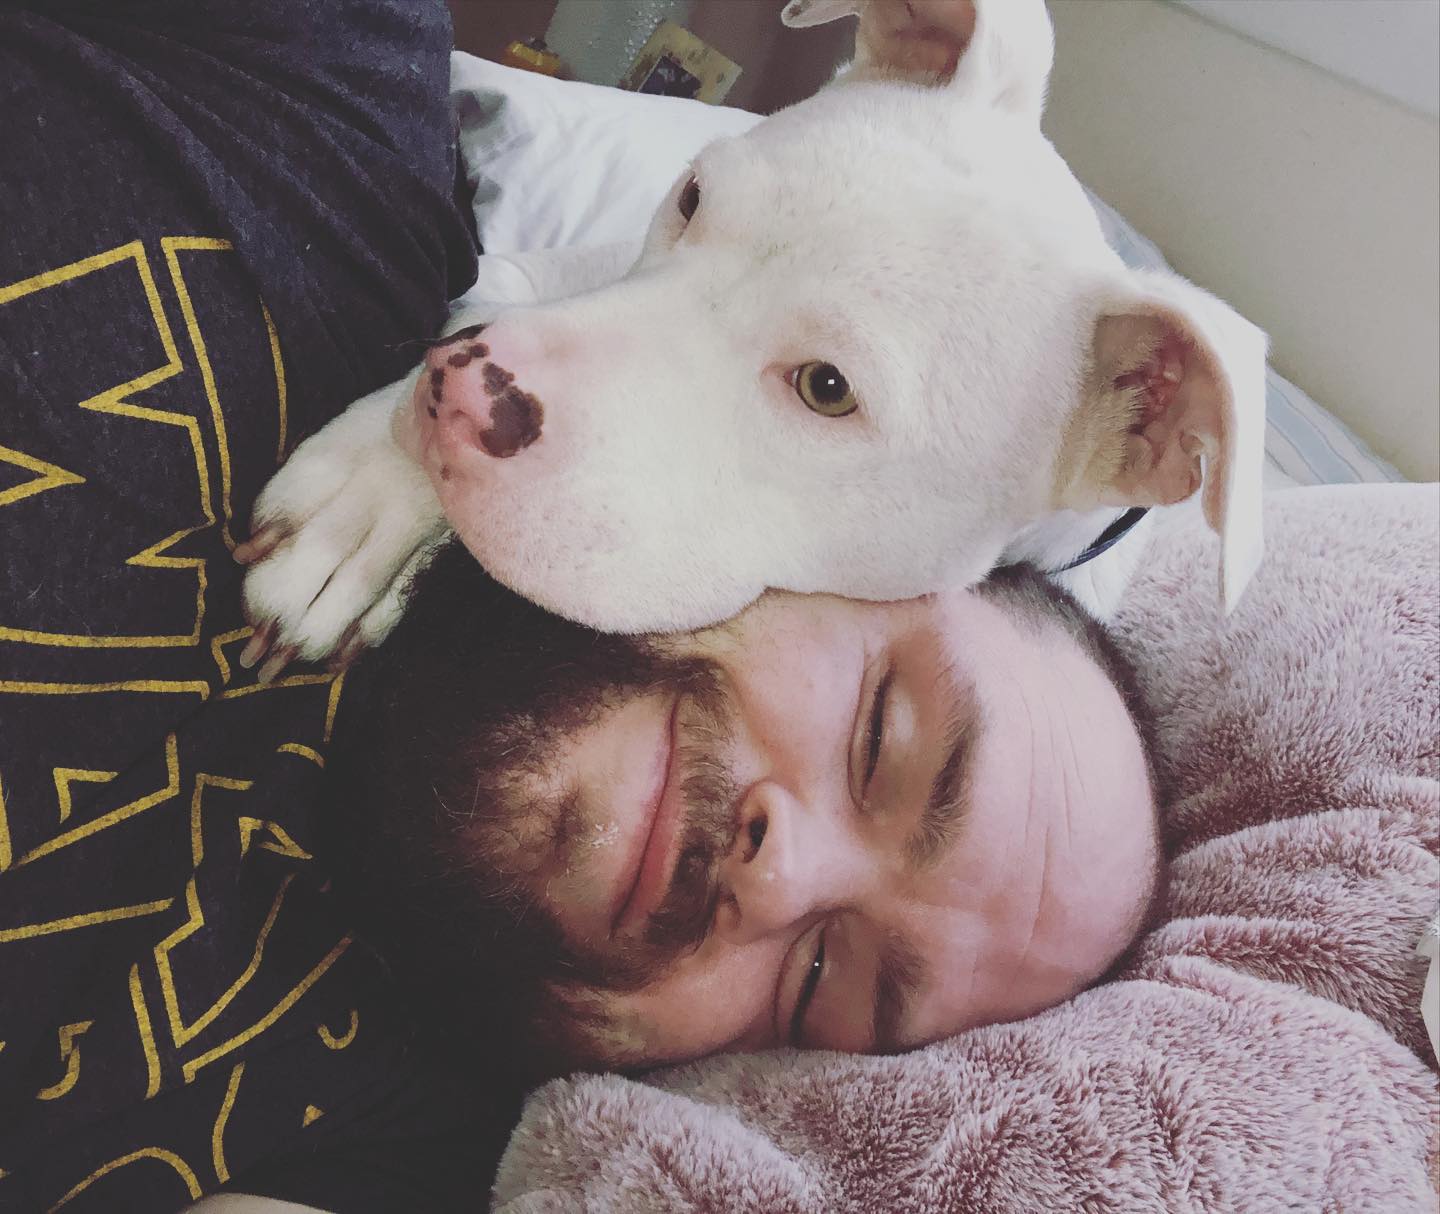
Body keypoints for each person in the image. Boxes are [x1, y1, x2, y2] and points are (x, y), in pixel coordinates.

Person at [0, 3, 513, 1211]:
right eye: (885, 732)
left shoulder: (428, 1120)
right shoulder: (336, 108)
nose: (777, 855)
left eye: (842, 978)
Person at [328, 542, 1163, 1080]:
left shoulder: (380, 1152)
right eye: (878, 741)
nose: (780, 879)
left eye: (819, 988)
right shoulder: (359, 298)